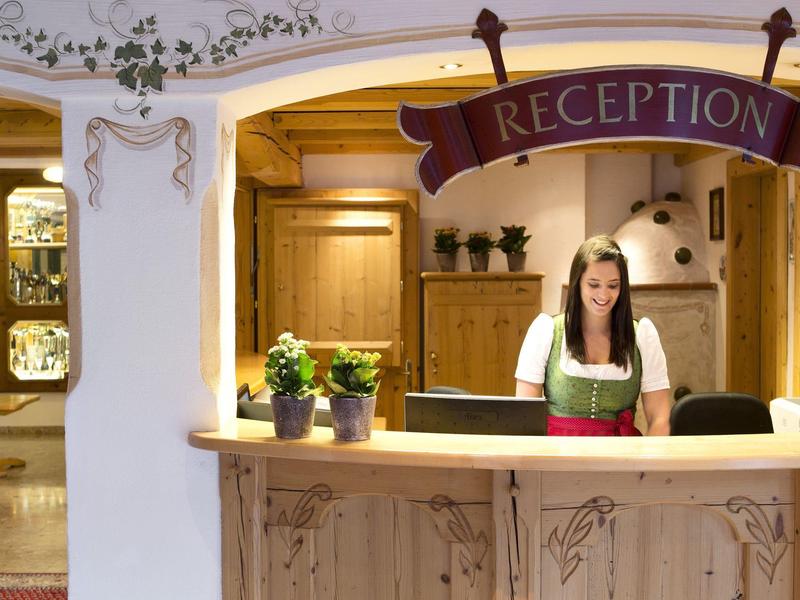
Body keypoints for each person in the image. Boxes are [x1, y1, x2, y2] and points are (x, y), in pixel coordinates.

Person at [515, 235, 671, 436]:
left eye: (613, 285)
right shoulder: (545, 331)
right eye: (594, 284)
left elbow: (660, 418)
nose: (603, 295)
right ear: (577, 283)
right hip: (557, 460)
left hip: (621, 460)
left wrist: (646, 466)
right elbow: (525, 420)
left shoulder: (642, 335)